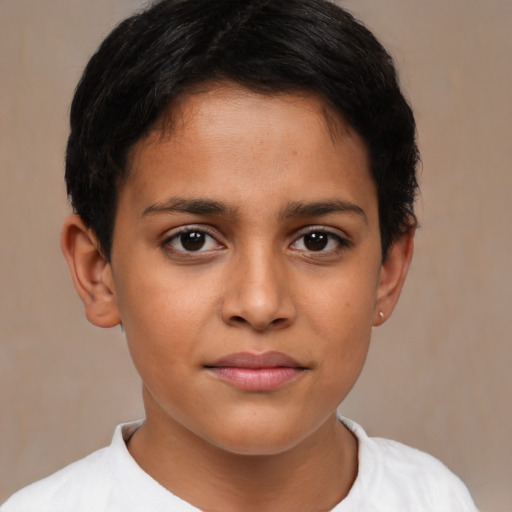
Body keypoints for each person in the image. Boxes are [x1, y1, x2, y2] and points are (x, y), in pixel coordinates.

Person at [1, 0, 479, 510]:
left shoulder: (436, 498)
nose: (259, 303)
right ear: (100, 274)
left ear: (387, 270)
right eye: (191, 240)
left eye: (317, 240)